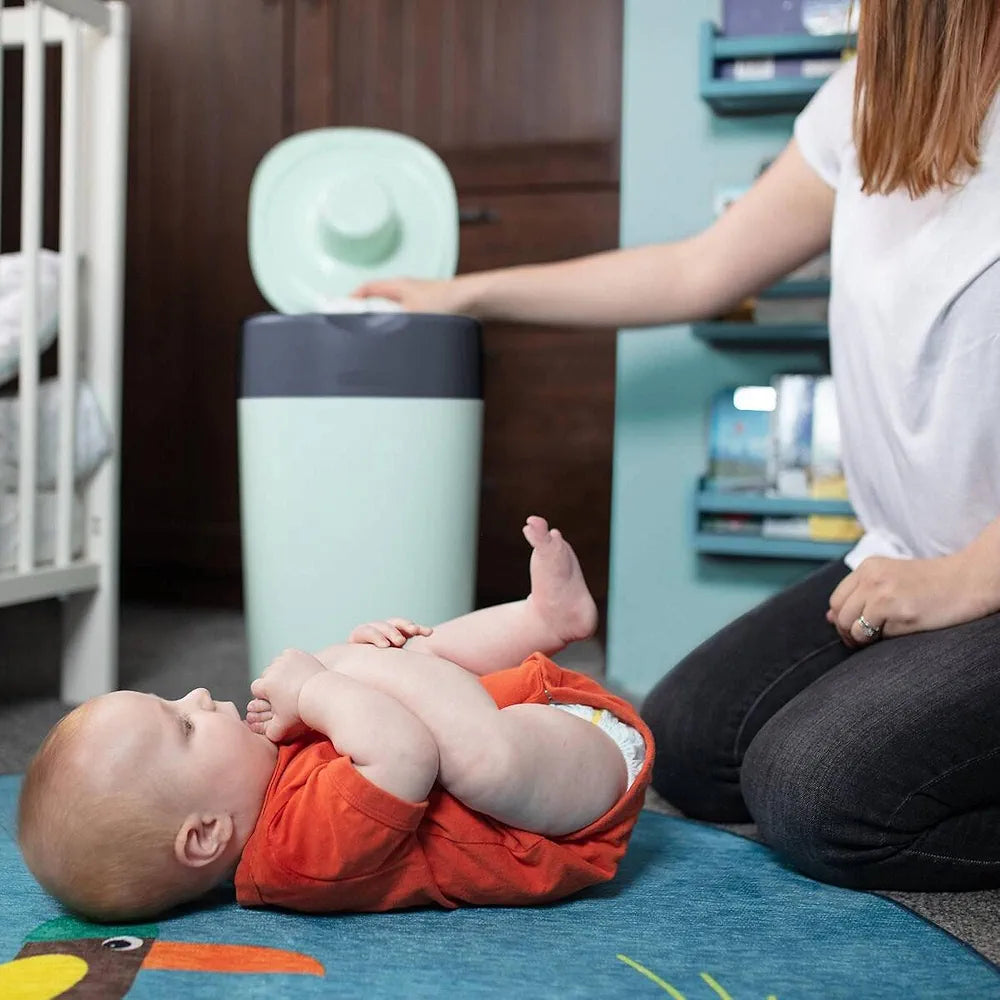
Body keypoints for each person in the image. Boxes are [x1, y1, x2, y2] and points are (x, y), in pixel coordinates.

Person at [355, 1, 1000, 892]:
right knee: (689, 745)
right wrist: (466, 292)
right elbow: (698, 270)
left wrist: (973, 576)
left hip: (983, 572)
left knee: (815, 797)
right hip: (905, 555)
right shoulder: (868, 101)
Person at [17, 517, 652, 922]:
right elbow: (405, 755)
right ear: (206, 833)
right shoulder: (296, 854)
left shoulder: (263, 766)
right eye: (183, 726)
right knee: (474, 759)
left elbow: (387, 707)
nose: (200, 694)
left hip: (523, 719)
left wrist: (362, 665)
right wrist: (328, 683)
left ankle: (543, 620)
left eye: (177, 701)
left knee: (397, 662)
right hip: (561, 805)